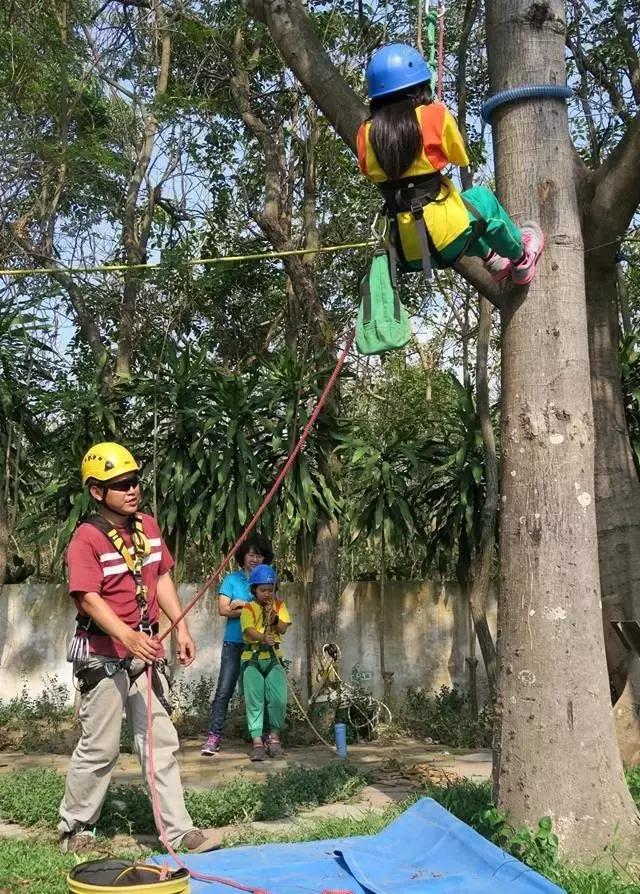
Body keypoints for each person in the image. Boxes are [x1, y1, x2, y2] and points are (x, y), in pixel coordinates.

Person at [58, 442, 219, 855]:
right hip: (104, 655)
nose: (132, 490)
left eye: (135, 482)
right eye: (121, 484)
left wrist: (180, 627)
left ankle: (179, 832)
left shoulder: (147, 526)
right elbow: (87, 597)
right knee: (100, 747)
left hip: (144, 654)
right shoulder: (87, 538)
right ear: (97, 491)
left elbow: (161, 576)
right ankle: (76, 828)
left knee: (159, 743)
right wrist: (127, 637)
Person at [358, 43, 544, 285]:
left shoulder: (364, 133)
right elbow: (458, 156)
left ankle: (493, 259)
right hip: (445, 238)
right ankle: (521, 259)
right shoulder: (434, 115)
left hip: (404, 248)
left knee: (464, 211)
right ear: (421, 86)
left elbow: (369, 171)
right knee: (481, 201)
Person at [201, 534, 274, 755]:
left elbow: (270, 609)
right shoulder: (232, 580)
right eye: (251, 554)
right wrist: (251, 607)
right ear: (242, 557)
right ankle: (214, 737)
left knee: (262, 693)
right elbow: (224, 609)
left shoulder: (268, 580)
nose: (255, 559)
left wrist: (241, 606)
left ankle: (265, 738)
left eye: (259, 555)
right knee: (224, 690)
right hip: (234, 644)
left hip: (260, 645)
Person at [240, 565, 291, 761]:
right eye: (263, 590)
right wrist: (262, 638)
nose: (267, 593)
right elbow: (248, 630)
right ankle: (257, 743)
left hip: (274, 658)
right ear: (254, 589)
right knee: (255, 701)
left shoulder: (279, 606)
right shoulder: (248, 608)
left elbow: (283, 628)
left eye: (270, 589)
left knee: (278, 700)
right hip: (253, 659)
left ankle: (275, 738)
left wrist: (275, 619)